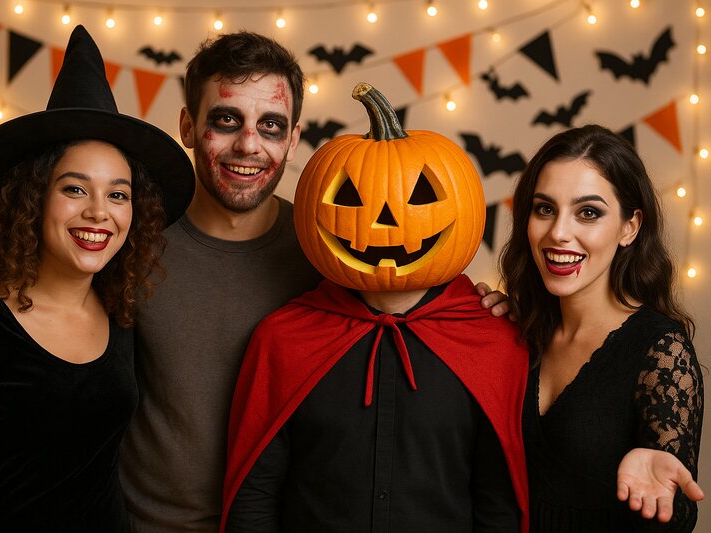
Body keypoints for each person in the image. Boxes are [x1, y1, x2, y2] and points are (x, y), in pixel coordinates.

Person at [0, 32, 509, 531]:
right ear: (189, 127)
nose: (249, 144)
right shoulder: (127, 245)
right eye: (226, 120)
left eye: (271, 126)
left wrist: (480, 304)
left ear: (294, 137)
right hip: (144, 526)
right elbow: (40, 310)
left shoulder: (333, 255)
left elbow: (413, 310)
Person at [0, 25, 194, 532]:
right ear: (33, 199)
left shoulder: (122, 317)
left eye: (118, 194)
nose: (98, 213)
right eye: (74, 188)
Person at [222, 82, 528, 532]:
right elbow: (255, 496)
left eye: (420, 196)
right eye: (349, 198)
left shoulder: (494, 339)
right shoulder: (283, 339)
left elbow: (498, 502)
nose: (385, 223)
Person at [498, 124, 704, 532]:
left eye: (588, 212)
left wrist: (666, 494)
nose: (559, 232)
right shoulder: (516, 332)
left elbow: (675, 516)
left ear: (630, 227)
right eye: (545, 208)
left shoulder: (661, 351)